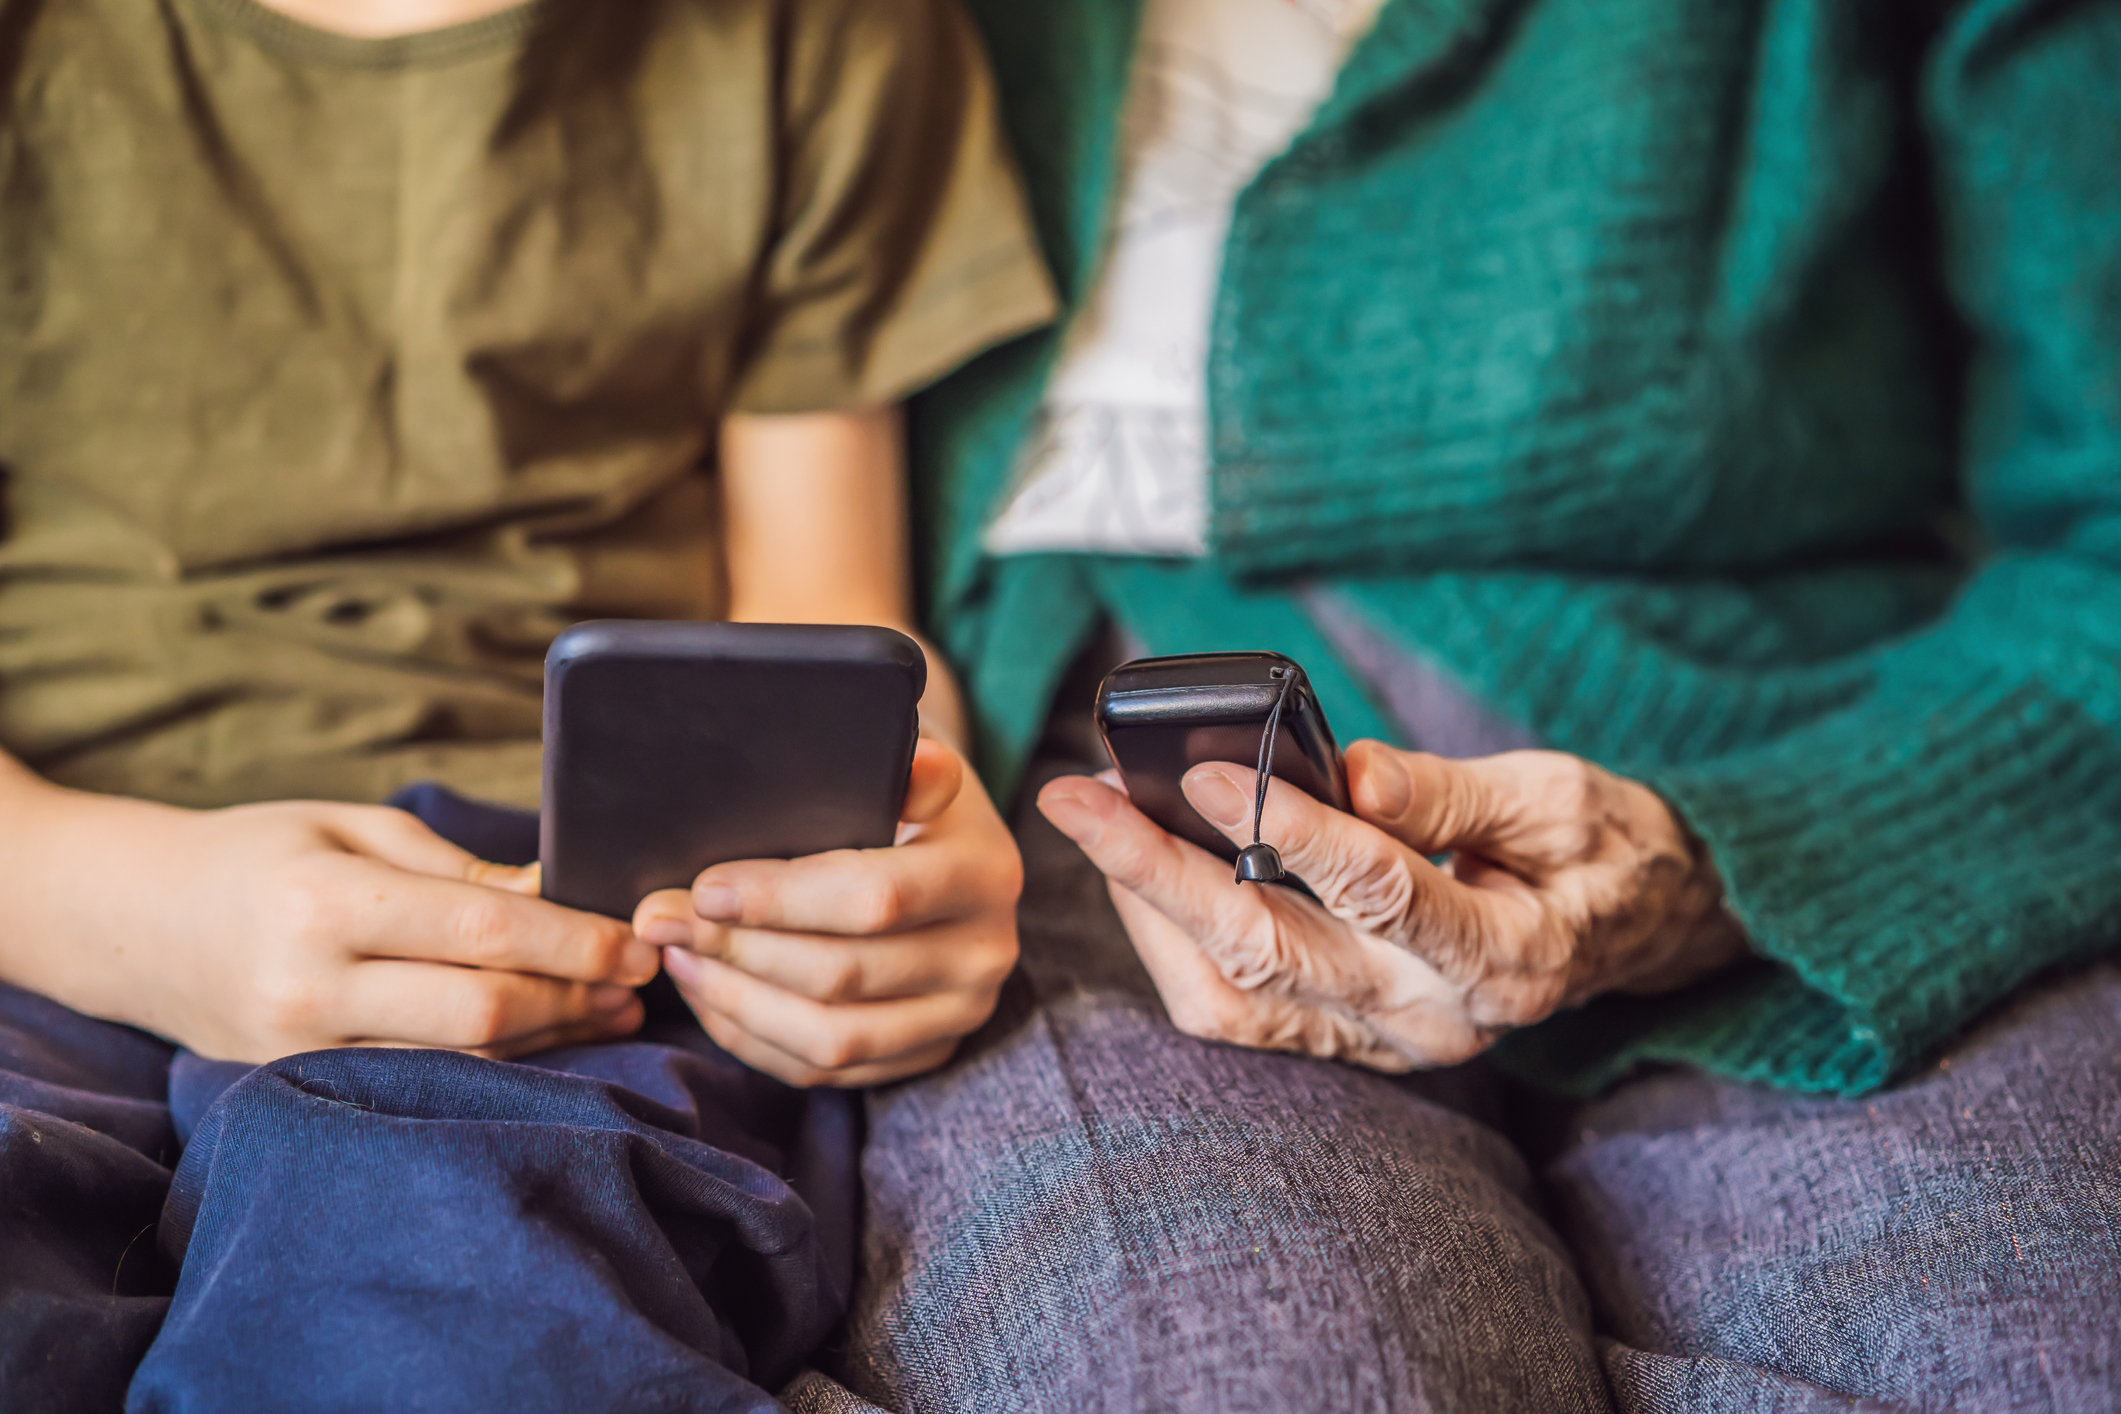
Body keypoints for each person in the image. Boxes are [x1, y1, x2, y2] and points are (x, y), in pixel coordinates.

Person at [806, 0, 2121, 1408]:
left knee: (2024, 1344)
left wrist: (1758, 855)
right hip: (1082, 765)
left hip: (1833, 758)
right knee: (1237, 1363)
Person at [0, 0, 1051, 1407]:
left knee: (459, 1311)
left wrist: (891, 860)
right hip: (44, 883)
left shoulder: (819, 37)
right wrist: (120, 914)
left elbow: (821, 627)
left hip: (576, 930)